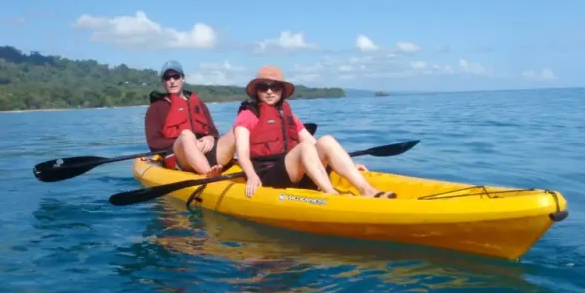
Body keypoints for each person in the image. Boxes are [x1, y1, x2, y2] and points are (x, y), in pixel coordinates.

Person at [232, 65, 397, 199]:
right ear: (257, 90)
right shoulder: (248, 114)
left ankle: (366, 190)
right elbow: (243, 154)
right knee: (304, 147)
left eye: (274, 87)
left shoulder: (286, 114)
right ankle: (331, 194)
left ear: (281, 90)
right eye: (264, 87)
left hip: (294, 172)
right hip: (267, 175)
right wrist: (252, 176)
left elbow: (313, 142)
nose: (269, 91)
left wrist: (347, 164)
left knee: (326, 140)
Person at [144, 60, 235, 177]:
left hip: (208, 152)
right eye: (167, 78)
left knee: (237, 130)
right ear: (163, 82)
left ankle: (256, 170)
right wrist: (192, 143)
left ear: (183, 78)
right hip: (180, 157)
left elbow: (214, 132)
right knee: (187, 134)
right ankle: (209, 174)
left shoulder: (200, 105)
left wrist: (211, 138)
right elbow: (154, 143)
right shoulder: (156, 108)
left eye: (176, 76)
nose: (172, 81)